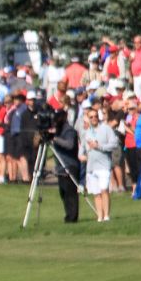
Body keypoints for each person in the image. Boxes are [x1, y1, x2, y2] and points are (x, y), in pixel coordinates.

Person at [49, 94, 84, 224]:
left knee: (70, 193)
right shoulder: (57, 131)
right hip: (60, 167)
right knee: (63, 193)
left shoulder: (69, 130)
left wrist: (55, 139)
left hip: (70, 165)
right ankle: (68, 214)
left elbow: (70, 145)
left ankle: (72, 216)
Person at [82, 105, 118, 222]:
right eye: (91, 117)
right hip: (91, 167)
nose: (94, 119)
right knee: (96, 193)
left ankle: (106, 215)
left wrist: (100, 147)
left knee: (104, 190)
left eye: (95, 116)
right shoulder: (87, 132)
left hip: (103, 165)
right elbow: (82, 147)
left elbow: (114, 144)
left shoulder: (106, 129)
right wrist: (81, 155)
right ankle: (100, 216)